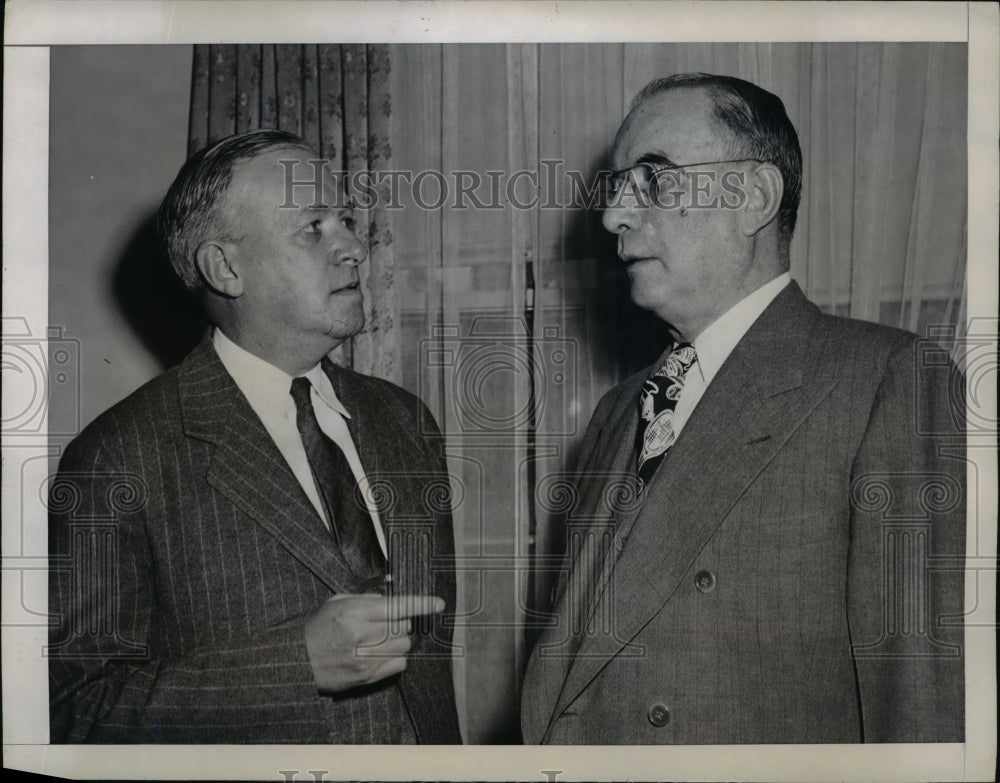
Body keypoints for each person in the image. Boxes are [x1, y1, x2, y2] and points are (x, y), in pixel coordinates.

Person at [521, 73, 965, 744]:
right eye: (616, 186)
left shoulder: (885, 379)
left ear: (754, 196)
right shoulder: (618, 410)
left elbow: (918, 702)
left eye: (656, 177)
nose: (615, 215)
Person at [48, 129, 461, 744]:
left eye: (345, 219)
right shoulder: (117, 457)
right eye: (313, 227)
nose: (354, 246)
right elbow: (76, 709)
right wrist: (293, 667)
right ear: (227, 267)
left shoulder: (406, 422)